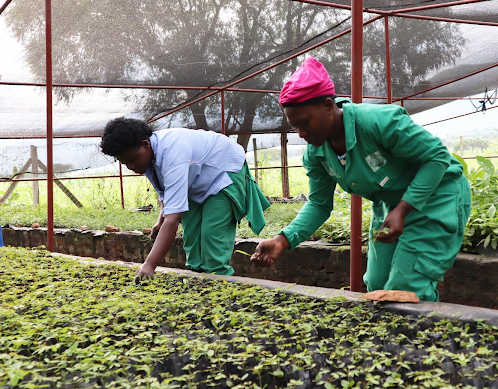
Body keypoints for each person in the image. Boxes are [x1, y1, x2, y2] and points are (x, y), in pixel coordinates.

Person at [252, 57, 471, 301]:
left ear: (327, 106)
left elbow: (437, 158)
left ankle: (421, 338)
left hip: (436, 198)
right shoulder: (316, 153)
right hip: (390, 207)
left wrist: (403, 209)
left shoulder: (379, 122)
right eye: (294, 126)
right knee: (376, 284)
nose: (301, 133)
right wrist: (283, 239)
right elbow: (319, 203)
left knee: (405, 288)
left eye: (304, 123)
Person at [100, 118, 270, 278]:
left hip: (224, 170)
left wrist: (149, 264)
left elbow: (173, 219)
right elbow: (166, 193)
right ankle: (197, 283)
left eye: (133, 160)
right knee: (192, 239)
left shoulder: (172, 152)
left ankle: (221, 288)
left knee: (212, 238)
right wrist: (161, 220)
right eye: (125, 164)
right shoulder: (149, 157)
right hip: (196, 180)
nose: (131, 167)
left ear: (145, 145)